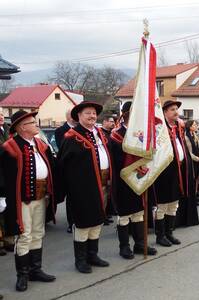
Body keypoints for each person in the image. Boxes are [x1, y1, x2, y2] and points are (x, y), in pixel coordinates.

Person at [0, 110, 56, 292]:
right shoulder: (10, 147)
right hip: (21, 200)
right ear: (22, 127)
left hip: (41, 197)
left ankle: (35, 270)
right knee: (24, 236)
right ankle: (22, 275)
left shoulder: (40, 144)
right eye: (33, 122)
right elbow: (3, 176)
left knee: (38, 232)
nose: (36, 124)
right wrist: (2, 196)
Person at [58, 101, 110, 273]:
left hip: (101, 185)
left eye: (94, 113)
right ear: (78, 116)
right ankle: (80, 260)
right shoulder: (71, 137)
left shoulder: (99, 134)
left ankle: (92, 255)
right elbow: (63, 166)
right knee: (83, 224)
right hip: (82, 189)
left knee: (97, 221)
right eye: (88, 113)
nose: (92, 116)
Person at [109, 101, 157, 259]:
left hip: (141, 178)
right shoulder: (117, 134)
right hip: (124, 180)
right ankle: (124, 246)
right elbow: (116, 159)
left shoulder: (142, 132)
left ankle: (140, 244)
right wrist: (136, 165)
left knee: (139, 213)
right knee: (124, 215)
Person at [153, 100, 198, 246]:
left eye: (176, 109)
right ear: (165, 112)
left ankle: (169, 233)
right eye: (172, 109)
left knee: (174, 204)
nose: (176, 112)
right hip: (164, 171)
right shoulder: (159, 128)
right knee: (162, 205)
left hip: (178, 170)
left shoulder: (178, 127)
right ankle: (160, 236)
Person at [54, 108, 77, 233]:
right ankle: (71, 222)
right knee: (71, 197)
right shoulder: (60, 131)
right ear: (69, 117)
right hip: (67, 167)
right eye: (73, 116)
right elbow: (61, 147)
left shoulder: (80, 129)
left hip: (80, 168)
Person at [184, 120, 199, 205]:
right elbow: (189, 152)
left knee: (197, 179)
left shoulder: (195, 135)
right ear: (190, 126)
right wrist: (198, 159)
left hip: (198, 160)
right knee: (192, 179)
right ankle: (192, 198)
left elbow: (198, 147)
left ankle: (195, 196)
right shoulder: (186, 137)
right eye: (194, 125)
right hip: (192, 162)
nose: (196, 126)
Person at [0, 109, 11, 255]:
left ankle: (8, 240)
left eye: (1, 114)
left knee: (8, 209)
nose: (1, 117)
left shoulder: (8, 129)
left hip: (7, 173)